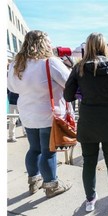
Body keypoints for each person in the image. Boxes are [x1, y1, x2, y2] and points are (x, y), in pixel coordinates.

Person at [63, 32, 108, 212]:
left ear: (88, 46)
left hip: (88, 122)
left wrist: (82, 92)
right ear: (104, 46)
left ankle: (90, 200)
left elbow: (67, 95)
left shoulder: (79, 68)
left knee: (89, 161)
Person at [7, 30, 72, 198]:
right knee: (48, 152)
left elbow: (12, 88)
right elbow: (70, 83)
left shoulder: (16, 63)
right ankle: (51, 184)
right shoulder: (50, 63)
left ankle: (33, 180)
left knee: (34, 149)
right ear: (44, 43)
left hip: (27, 114)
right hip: (48, 114)